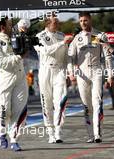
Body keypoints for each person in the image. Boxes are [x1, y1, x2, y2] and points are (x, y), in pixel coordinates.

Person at [68, 11, 114, 143]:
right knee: (87, 106)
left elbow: (108, 57)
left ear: (90, 20)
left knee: (97, 102)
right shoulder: (77, 38)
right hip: (82, 73)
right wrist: (71, 73)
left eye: (85, 20)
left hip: (96, 71)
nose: (83, 23)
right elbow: (71, 57)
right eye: (81, 21)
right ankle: (90, 135)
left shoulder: (100, 35)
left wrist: (110, 75)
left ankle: (97, 134)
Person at [0, 17, 28, 151]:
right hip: (4, 80)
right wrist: (19, 56)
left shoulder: (14, 37)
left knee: (19, 110)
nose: (12, 27)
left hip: (20, 78)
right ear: (3, 27)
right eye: (10, 25)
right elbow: (2, 63)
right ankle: (2, 133)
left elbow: (25, 35)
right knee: (4, 110)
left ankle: (14, 140)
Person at [34, 15, 71, 143]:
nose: (57, 23)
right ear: (48, 23)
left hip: (59, 70)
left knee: (61, 101)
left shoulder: (62, 35)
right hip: (45, 71)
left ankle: (58, 131)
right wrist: (62, 43)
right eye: (55, 22)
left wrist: (69, 73)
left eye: (58, 21)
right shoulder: (39, 36)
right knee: (47, 104)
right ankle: (50, 133)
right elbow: (46, 51)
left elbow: (67, 57)